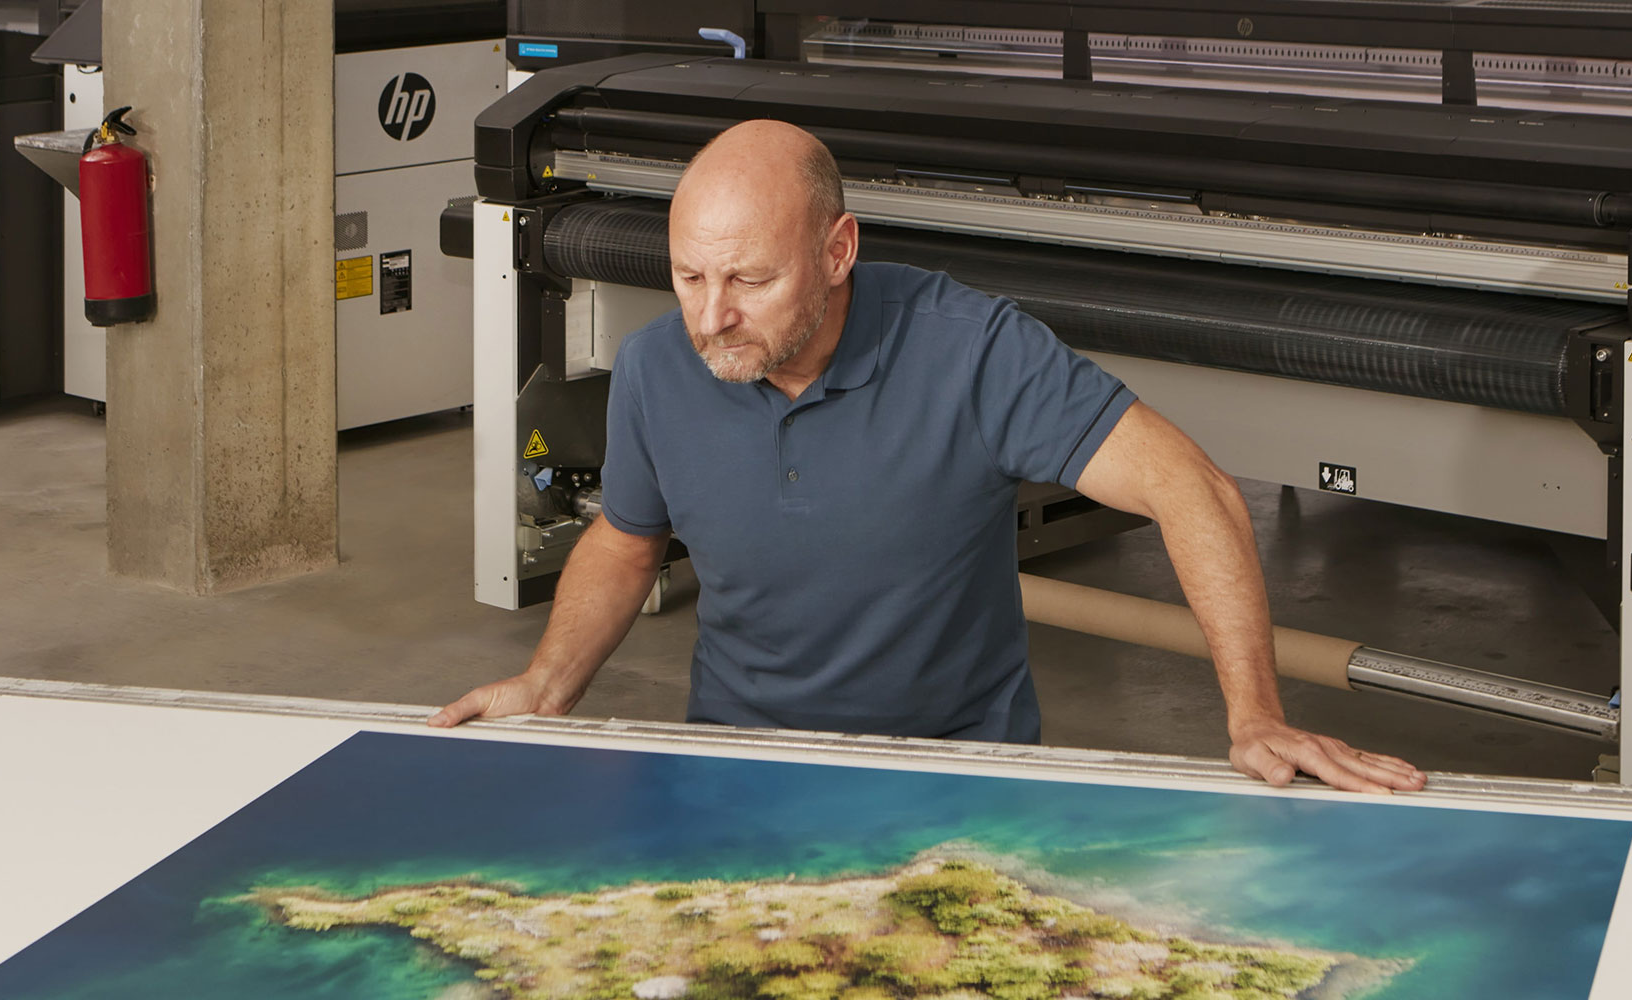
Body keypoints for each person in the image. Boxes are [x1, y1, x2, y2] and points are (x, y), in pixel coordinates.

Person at [431, 120, 1426, 794]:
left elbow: (1194, 490)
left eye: (749, 278)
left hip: (957, 780)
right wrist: (547, 684)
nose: (711, 315)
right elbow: (626, 539)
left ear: (837, 250)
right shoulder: (659, 366)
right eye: (689, 275)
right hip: (736, 766)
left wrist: (1254, 713)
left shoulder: (972, 350)